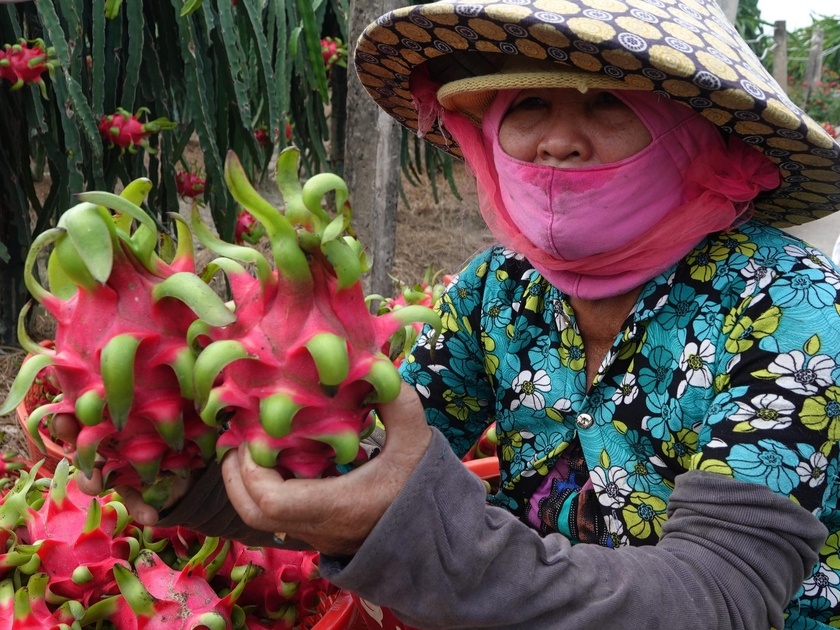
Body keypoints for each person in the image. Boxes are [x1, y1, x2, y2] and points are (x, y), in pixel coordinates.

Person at [62, 0, 840, 628]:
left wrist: (422, 526)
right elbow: (354, 479)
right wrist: (178, 477)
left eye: (608, 102)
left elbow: (720, 600)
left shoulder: (792, 306)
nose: (558, 141)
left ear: (697, 134)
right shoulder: (496, 290)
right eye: (528, 102)